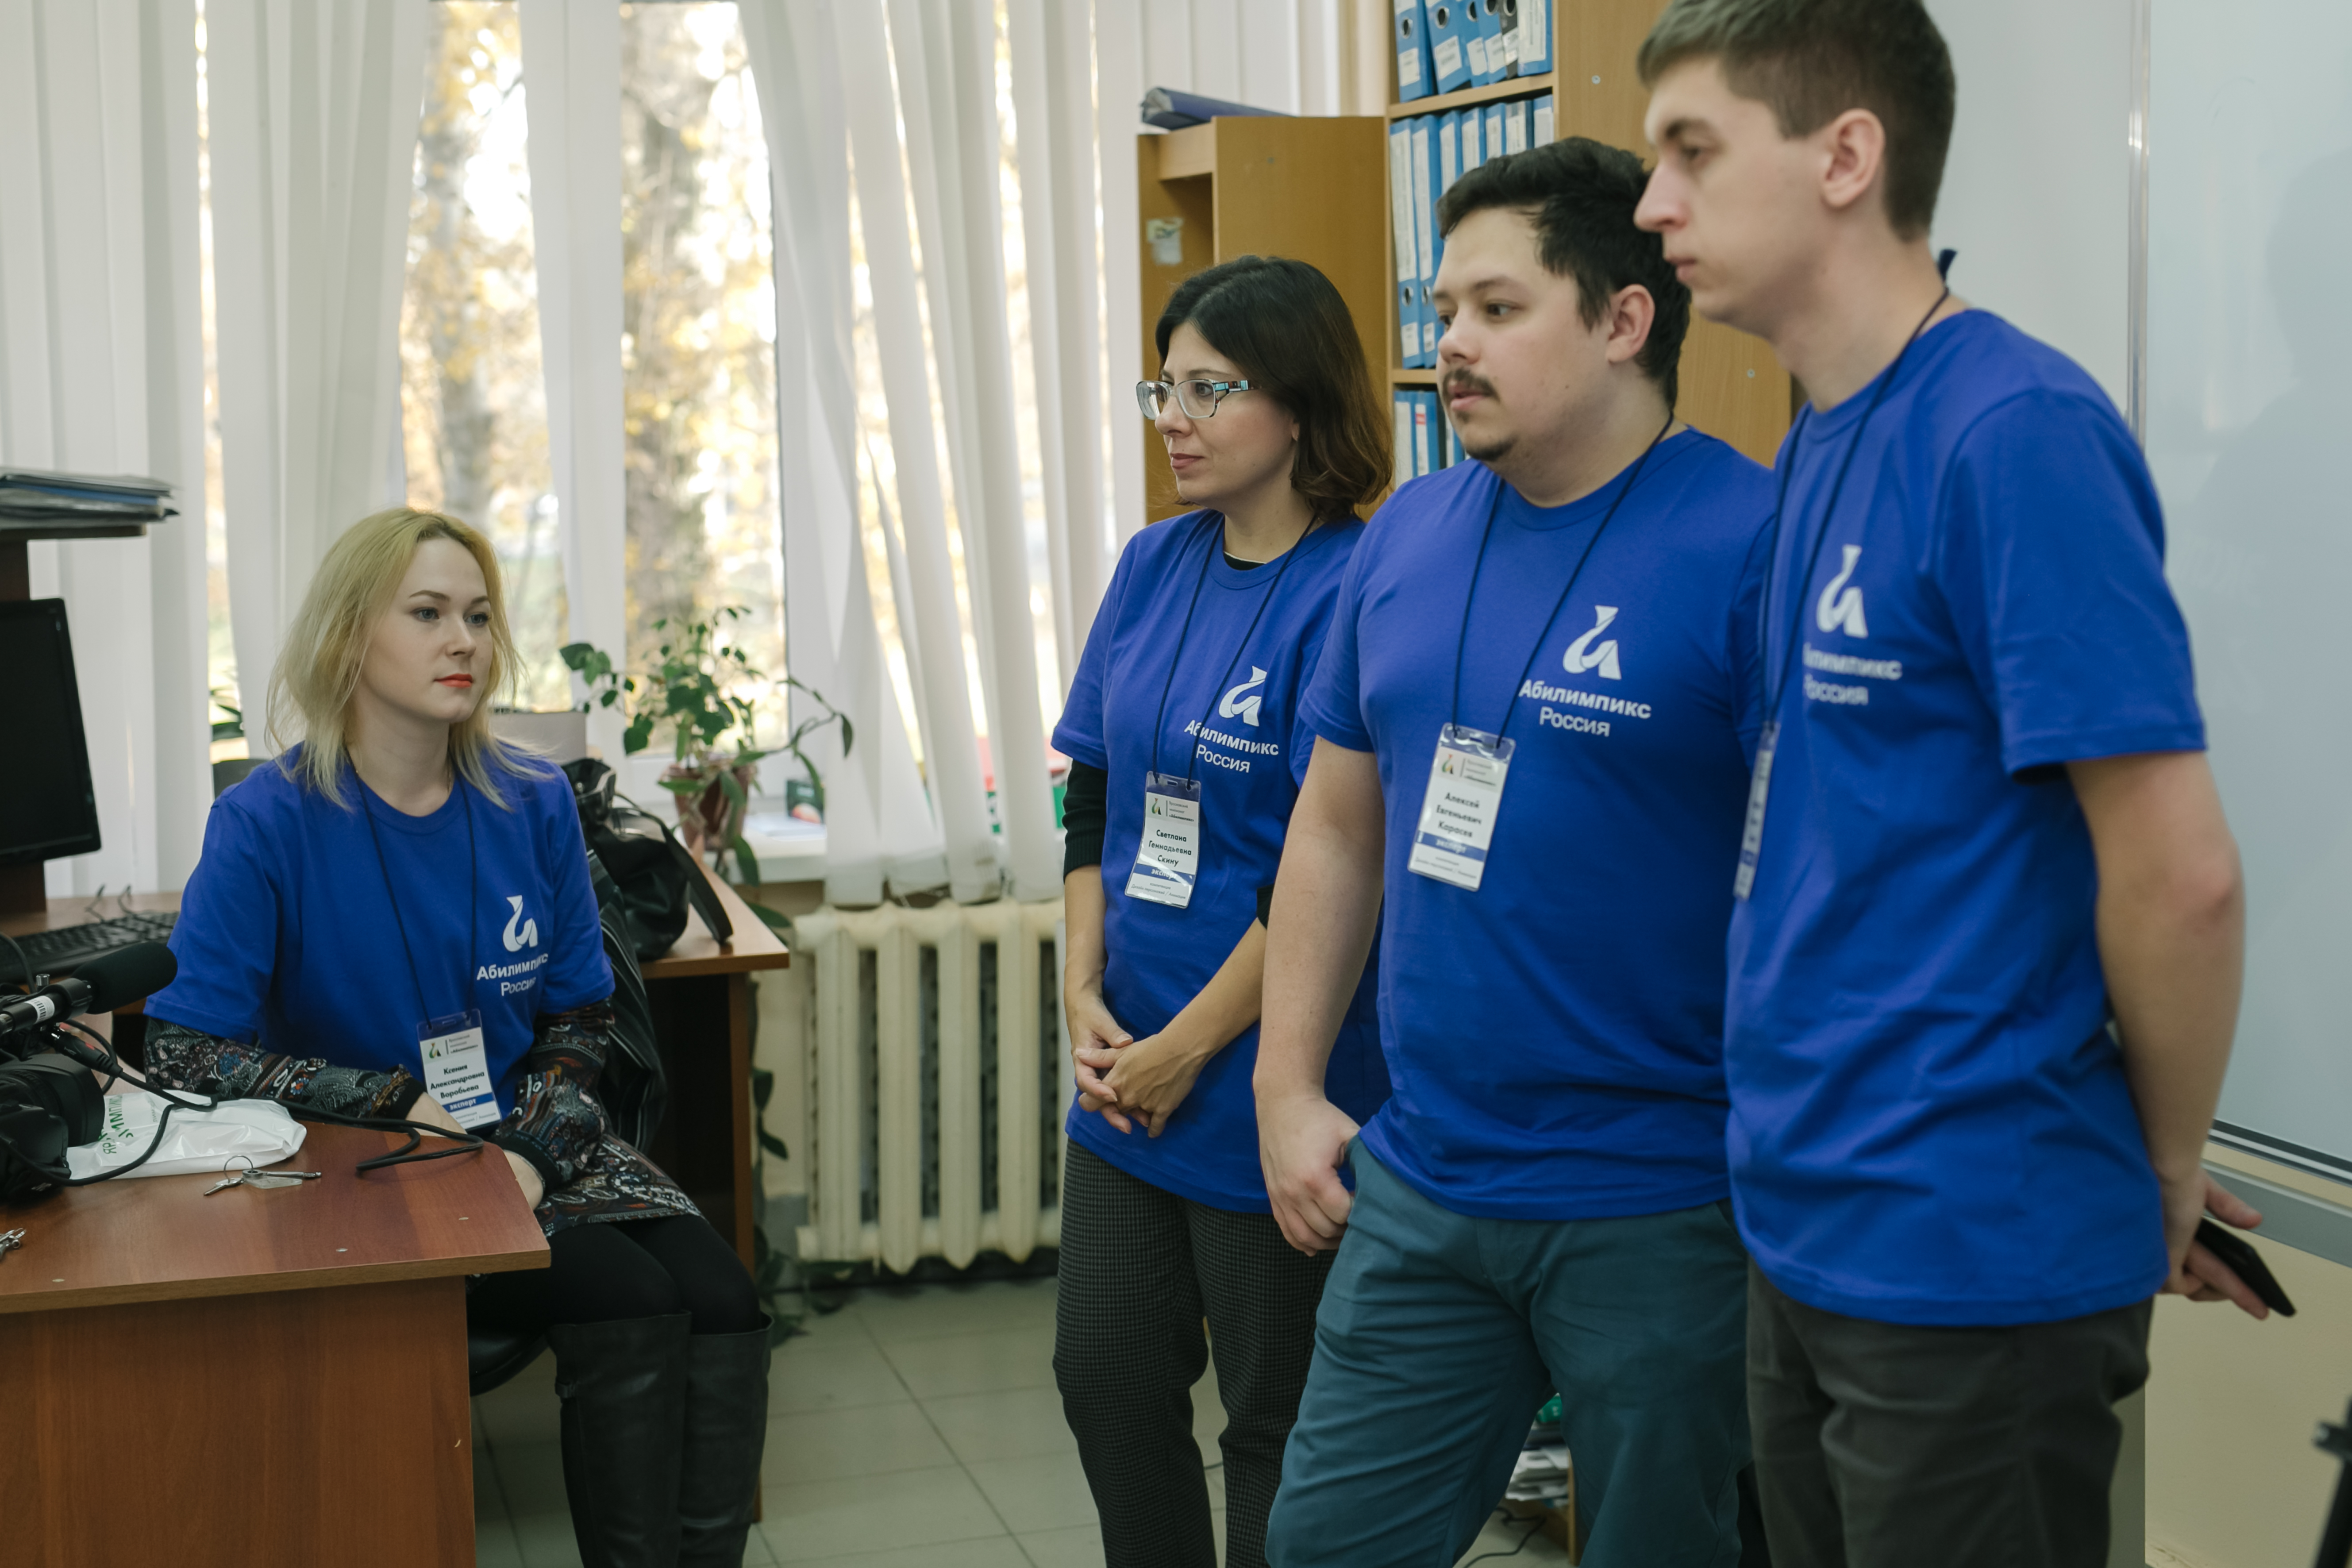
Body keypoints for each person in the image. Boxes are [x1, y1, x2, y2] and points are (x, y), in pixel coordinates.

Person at [1632, 4, 2263, 1564]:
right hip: (1804, 1218)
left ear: (1845, 156)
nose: (1650, 205)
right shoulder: (1821, 440)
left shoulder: (2011, 431)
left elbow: (2178, 874)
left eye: (1691, 151)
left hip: (1964, 1245)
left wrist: (2156, 1166)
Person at [1256, 138, 1773, 1567]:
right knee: (1320, 1548)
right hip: (1424, 1176)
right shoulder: (1408, 534)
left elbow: (1837, 877)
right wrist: (1285, 1083)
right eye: (1442, 312)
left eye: (1495, 309)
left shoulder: (1752, 545)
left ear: (1622, 319)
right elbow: (1336, 823)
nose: (1450, 346)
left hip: (1661, 1197)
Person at [141, 508, 768, 1568]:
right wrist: (394, 1100)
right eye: (427, 613)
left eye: (478, 616)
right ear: (349, 635)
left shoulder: (533, 800)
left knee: (723, 1296)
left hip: (525, 1134)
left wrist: (530, 1153)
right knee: (631, 1298)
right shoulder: (266, 820)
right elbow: (186, 1050)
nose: (464, 640)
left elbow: (581, 1017)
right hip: (365, 1160)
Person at [1053, 254, 1394, 1568]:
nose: (1174, 419)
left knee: (1273, 1420)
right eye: (1164, 388)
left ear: (1297, 406)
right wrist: (1081, 992)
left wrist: (1187, 1047)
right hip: (1125, 1067)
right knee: (1104, 1377)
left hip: (1266, 1074)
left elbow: (1327, 859)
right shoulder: (1153, 563)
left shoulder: (1356, 586)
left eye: (1209, 389)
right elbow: (1093, 791)